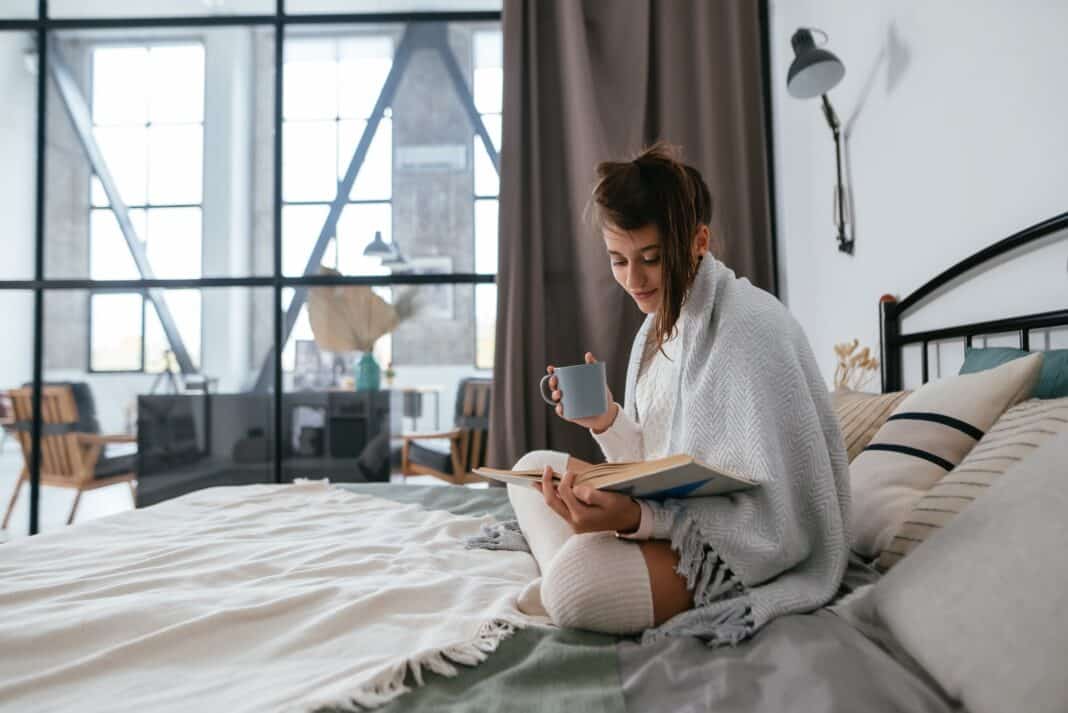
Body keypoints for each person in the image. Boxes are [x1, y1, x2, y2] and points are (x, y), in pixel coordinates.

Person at [499, 143, 850, 646]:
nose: (633, 280)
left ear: (698, 241)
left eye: (651, 258)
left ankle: (567, 573)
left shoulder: (749, 328)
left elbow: (780, 515)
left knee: (576, 584)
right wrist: (604, 420)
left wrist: (640, 518)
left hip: (730, 548)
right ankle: (576, 563)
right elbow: (656, 462)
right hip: (674, 519)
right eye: (617, 260)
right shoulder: (657, 330)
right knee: (533, 468)